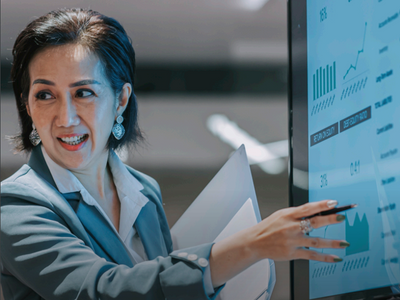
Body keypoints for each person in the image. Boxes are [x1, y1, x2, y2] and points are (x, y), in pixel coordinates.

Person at [0, 8, 350, 300]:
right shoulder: (15, 208)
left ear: (121, 99)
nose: (66, 118)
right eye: (45, 95)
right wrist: (251, 246)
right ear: (27, 105)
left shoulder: (143, 192)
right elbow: (103, 291)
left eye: (83, 93)